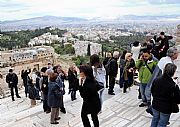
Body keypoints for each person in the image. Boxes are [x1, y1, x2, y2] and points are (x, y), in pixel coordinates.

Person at [145, 47, 179, 115]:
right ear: (173, 54)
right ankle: (154, 112)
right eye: (177, 53)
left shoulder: (164, 58)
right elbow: (167, 75)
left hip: (156, 81)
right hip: (161, 83)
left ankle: (152, 109)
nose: (178, 54)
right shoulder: (168, 63)